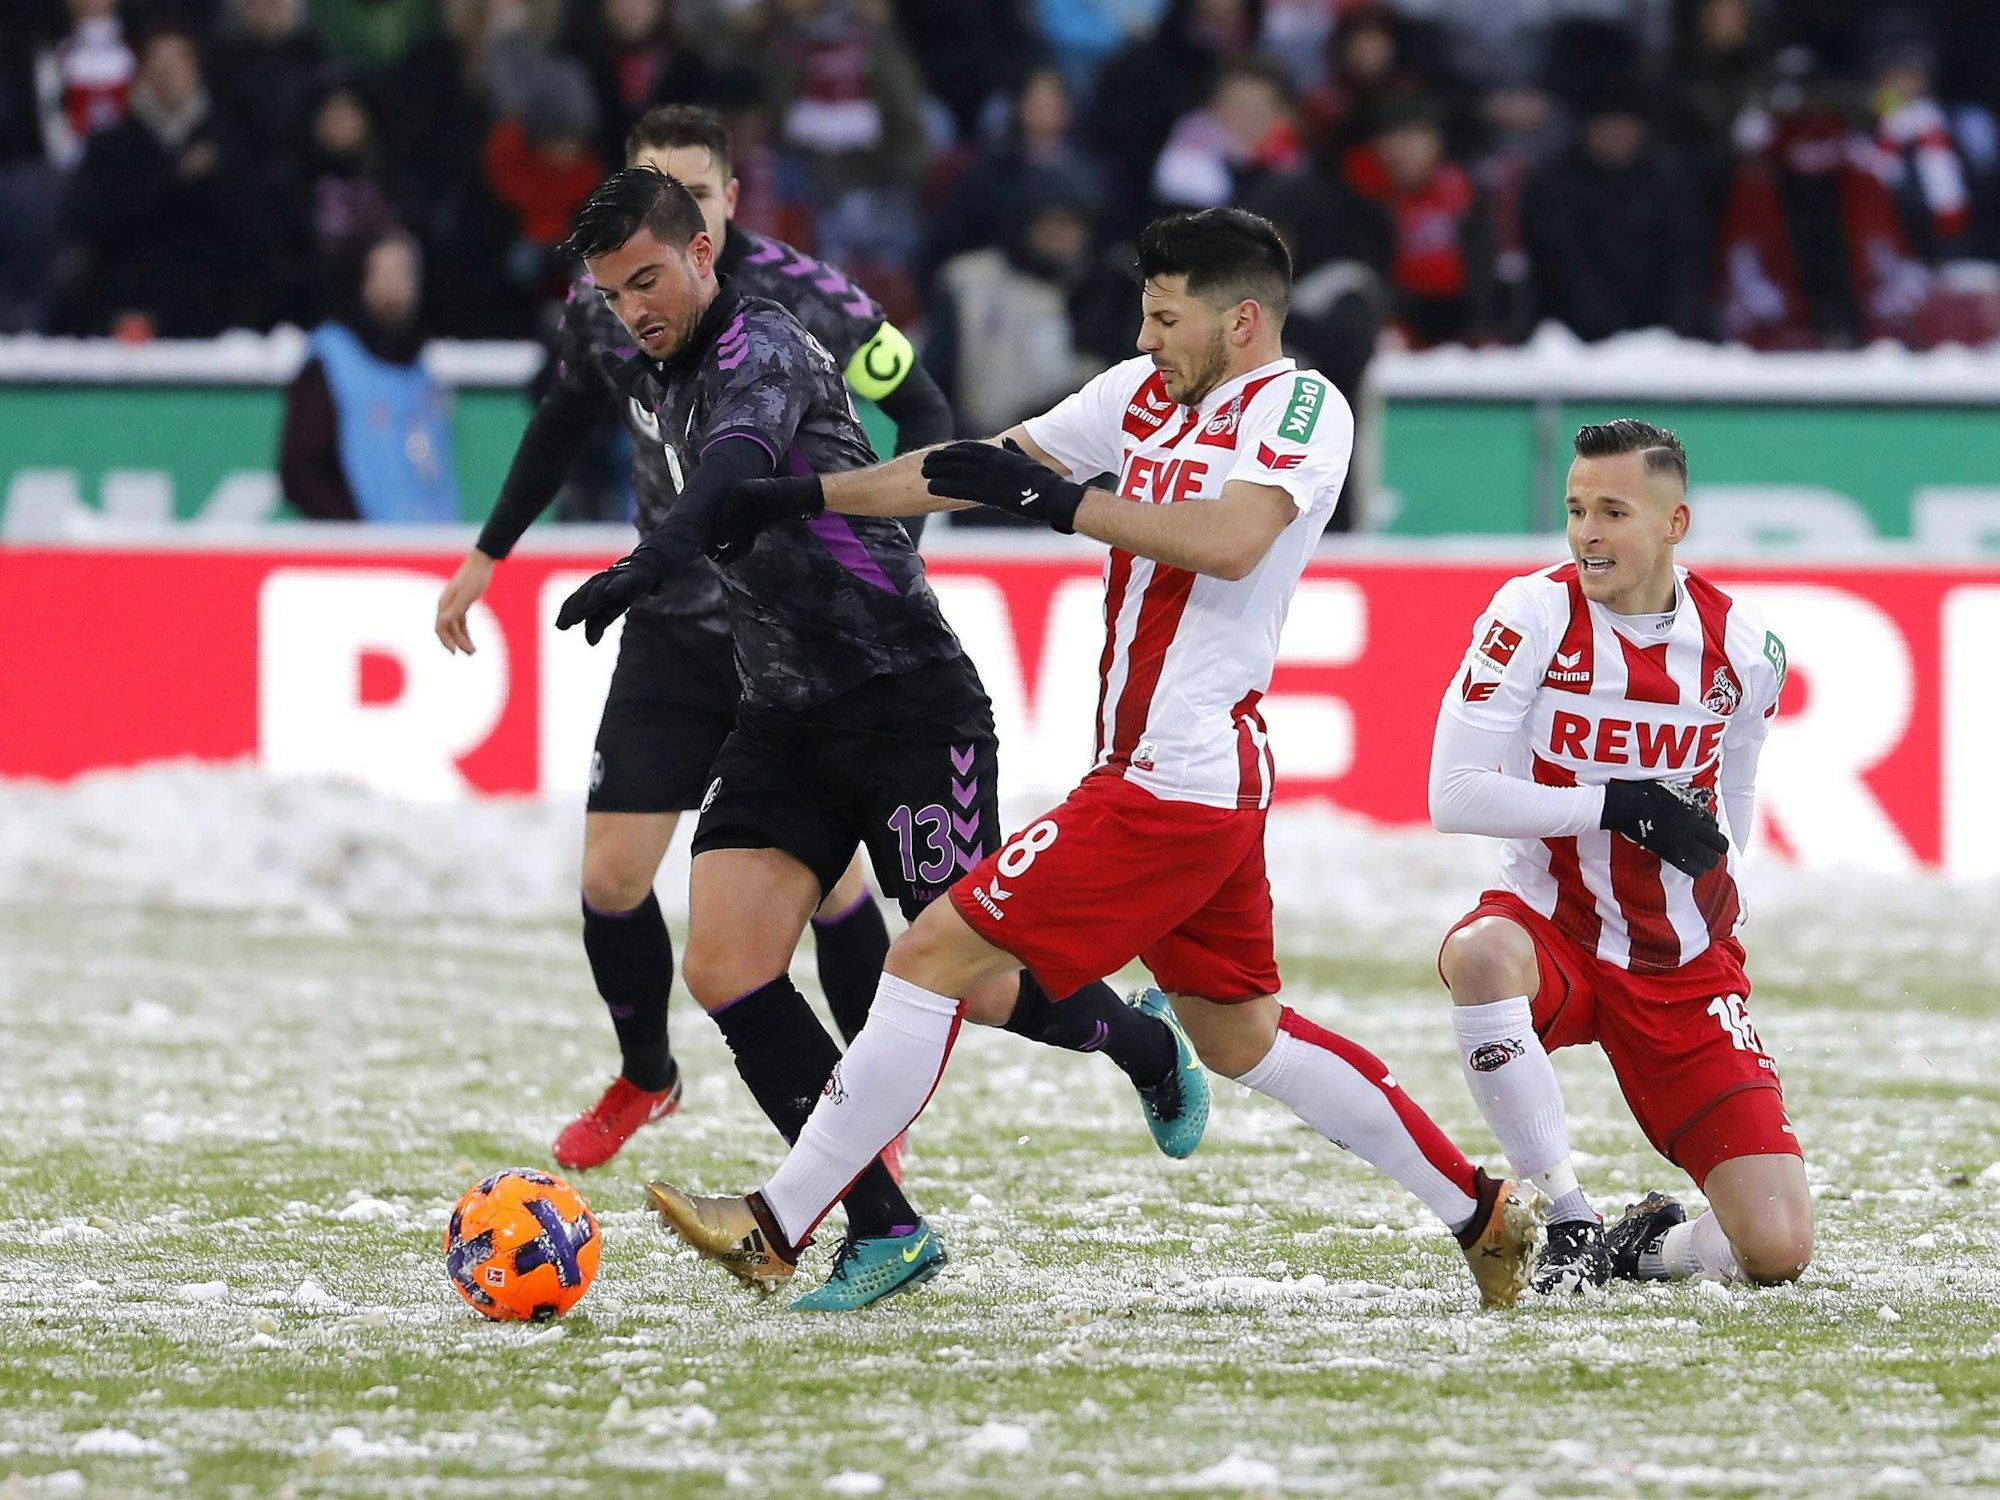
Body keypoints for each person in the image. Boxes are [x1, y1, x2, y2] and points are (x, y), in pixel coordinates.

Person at [630, 206, 1540, 1310]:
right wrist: (804, 497)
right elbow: (965, 469)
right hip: (1178, 777)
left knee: (926, 958)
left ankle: (774, 1227)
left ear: (1242, 320)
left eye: (1166, 317)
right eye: (1142, 315)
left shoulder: (1299, 406)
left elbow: (1231, 538)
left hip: (1173, 779)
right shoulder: (1139, 394)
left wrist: (1065, 504)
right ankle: (1480, 1217)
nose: (1145, 337)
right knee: (1242, 1037)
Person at [543, 167, 1208, 1312]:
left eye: (647, 280)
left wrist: (653, 561)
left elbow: (735, 474)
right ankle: (881, 1228)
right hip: (784, 716)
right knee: (724, 966)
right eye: (613, 296)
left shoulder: (763, 342)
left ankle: (1142, 1043)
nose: (634, 309)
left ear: (704, 253)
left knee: (983, 985)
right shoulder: (657, 367)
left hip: (908, 704)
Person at [436, 105, 957, 1174]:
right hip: (672, 631)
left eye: (695, 193)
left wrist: (876, 555)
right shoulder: (612, 298)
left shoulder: (812, 304)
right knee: (612, 877)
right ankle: (645, 1075)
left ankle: (866, 1120)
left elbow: (929, 408)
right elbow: (562, 417)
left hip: (799, 637)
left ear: (723, 206)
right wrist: (487, 552)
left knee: (832, 882)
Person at [1429, 418, 1811, 1292]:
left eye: (1612, 511)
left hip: (1678, 960)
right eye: (1574, 510)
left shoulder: (1745, 649)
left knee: (1779, 1249)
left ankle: (1638, 1251)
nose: (1587, 535)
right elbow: (1452, 794)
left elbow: (1738, 784)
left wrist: (1731, 878)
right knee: (1479, 954)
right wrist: (1619, 805)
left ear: (1674, 525)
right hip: (1552, 928)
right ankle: (1568, 1218)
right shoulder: (1528, 615)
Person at [280, 228, 457, 522]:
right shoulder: (331, 361)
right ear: (360, 278)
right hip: (363, 556)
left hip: (429, 550)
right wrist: (355, 535)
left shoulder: (421, 370)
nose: (396, 286)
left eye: (406, 273)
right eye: (384, 272)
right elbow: (301, 470)